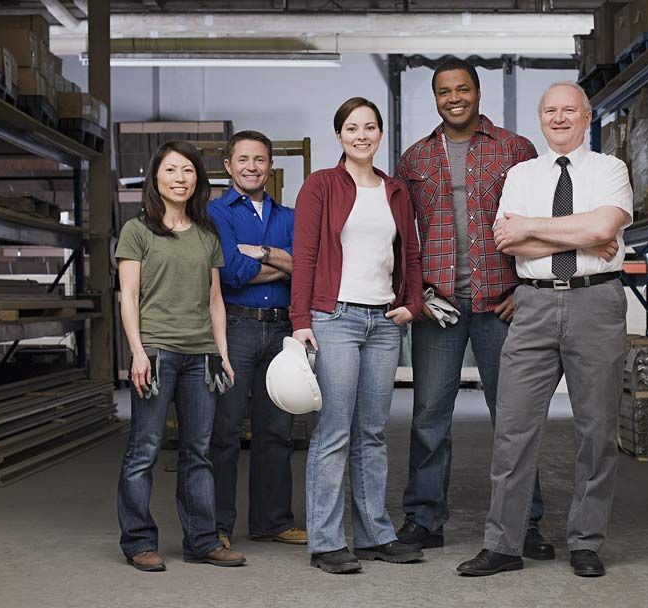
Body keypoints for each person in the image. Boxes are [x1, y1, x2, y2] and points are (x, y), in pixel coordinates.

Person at [457, 81, 630, 578]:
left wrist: (537, 228)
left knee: (596, 429)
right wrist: (571, 231)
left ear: (586, 116)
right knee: (513, 429)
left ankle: (586, 542)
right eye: (550, 110)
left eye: (568, 110)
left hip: (596, 301)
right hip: (530, 307)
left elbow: (602, 233)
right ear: (540, 117)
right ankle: (504, 544)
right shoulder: (521, 174)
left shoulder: (610, 170)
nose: (559, 118)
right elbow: (507, 242)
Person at [394, 56, 550, 559]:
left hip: (500, 303)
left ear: (477, 93)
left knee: (514, 416)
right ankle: (423, 519)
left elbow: (540, 222)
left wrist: (526, 290)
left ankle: (524, 522)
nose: (454, 98)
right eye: (444, 91)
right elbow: (402, 238)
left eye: (462, 89)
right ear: (435, 97)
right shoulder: (415, 158)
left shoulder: (514, 149)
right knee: (428, 415)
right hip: (439, 306)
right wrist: (414, 296)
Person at [290, 97, 425, 574]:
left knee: (372, 433)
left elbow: (409, 250)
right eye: (352, 127)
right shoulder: (321, 185)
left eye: (370, 127)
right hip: (335, 318)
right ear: (340, 135)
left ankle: (373, 535)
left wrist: (413, 302)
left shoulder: (395, 190)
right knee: (333, 432)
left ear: (380, 134)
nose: (361, 135)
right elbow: (304, 255)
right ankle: (326, 542)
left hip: (384, 322)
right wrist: (300, 319)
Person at [115, 141, 246, 571]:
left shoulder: (207, 234)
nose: (180, 178)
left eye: (188, 170)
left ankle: (203, 541)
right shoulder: (137, 231)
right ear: (155, 178)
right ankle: (138, 543)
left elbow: (214, 301)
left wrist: (222, 353)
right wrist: (136, 353)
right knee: (145, 450)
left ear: (198, 179)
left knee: (198, 452)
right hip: (155, 352)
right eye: (171, 170)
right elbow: (128, 296)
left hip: (200, 357)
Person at [206, 130, 306, 550]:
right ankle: (217, 526)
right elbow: (229, 272)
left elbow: (308, 266)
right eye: (243, 159)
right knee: (226, 430)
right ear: (229, 166)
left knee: (276, 430)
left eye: (260, 159)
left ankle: (272, 521)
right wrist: (285, 262)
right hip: (237, 327)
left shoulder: (290, 216)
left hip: (282, 329)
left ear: (270, 166)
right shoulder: (217, 213)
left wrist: (261, 254)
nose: (252, 166)